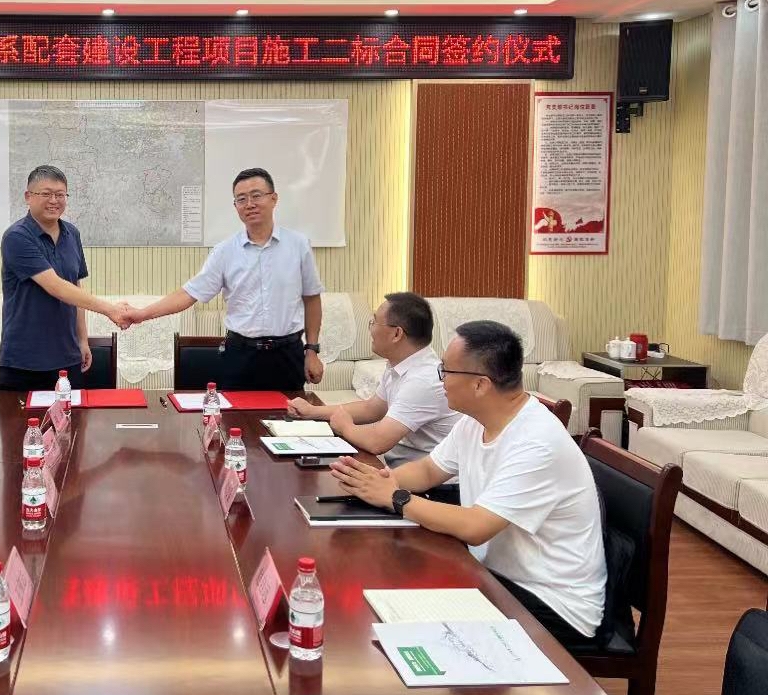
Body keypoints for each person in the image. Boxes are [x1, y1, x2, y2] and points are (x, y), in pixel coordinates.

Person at [330, 321, 606, 647]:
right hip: (497, 573)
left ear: (480, 385)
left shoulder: (537, 441)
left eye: (446, 371)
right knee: (389, 585)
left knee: (401, 614)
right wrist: (375, 482)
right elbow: (429, 471)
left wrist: (396, 497)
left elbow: (476, 526)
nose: (441, 380)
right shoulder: (476, 421)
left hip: (552, 603)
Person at [121, 167, 323, 394]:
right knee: (234, 415)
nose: (249, 204)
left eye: (256, 195)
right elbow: (189, 293)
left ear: (273, 199)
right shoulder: (225, 251)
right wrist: (141, 314)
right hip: (241, 355)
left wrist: (312, 350)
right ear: (235, 206)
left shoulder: (298, 245)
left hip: (288, 354)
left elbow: (312, 299)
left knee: (290, 415)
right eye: (241, 199)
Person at [0, 164, 131, 393]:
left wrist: (82, 340)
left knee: (71, 417)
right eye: (46, 194)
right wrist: (110, 309)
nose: (54, 201)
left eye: (60, 195)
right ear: (28, 197)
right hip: (24, 360)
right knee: (20, 419)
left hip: (67, 357)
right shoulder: (16, 237)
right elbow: (56, 287)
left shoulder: (72, 234)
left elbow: (75, 287)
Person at [287, 292, 460, 466]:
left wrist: (346, 427)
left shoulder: (422, 380)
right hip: (402, 468)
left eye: (374, 322)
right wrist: (312, 411)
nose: (370, 330)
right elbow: (372, 409)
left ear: (396, 334)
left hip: (427, 479)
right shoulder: (401, 363)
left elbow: (377, 442)